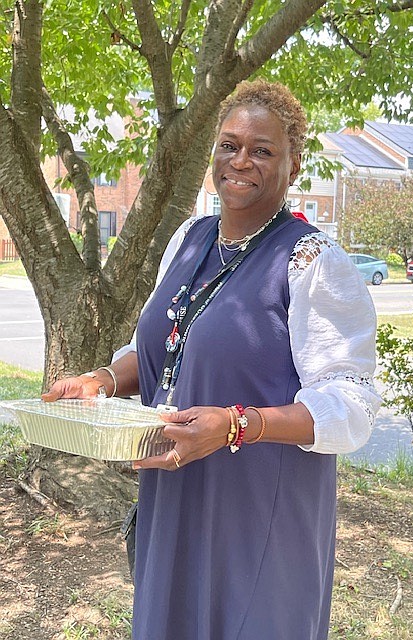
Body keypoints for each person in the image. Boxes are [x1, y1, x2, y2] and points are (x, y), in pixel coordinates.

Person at [43, 79, 381, 640]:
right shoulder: (189, 239)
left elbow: (350, 408)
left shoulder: (311, 261)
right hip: (175, 493)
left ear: (293, 165)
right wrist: (101, 380)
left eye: (262, 149)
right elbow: (162, 347)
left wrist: (235, 425)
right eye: (229, 144)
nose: (241, 160)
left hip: (257, 511)